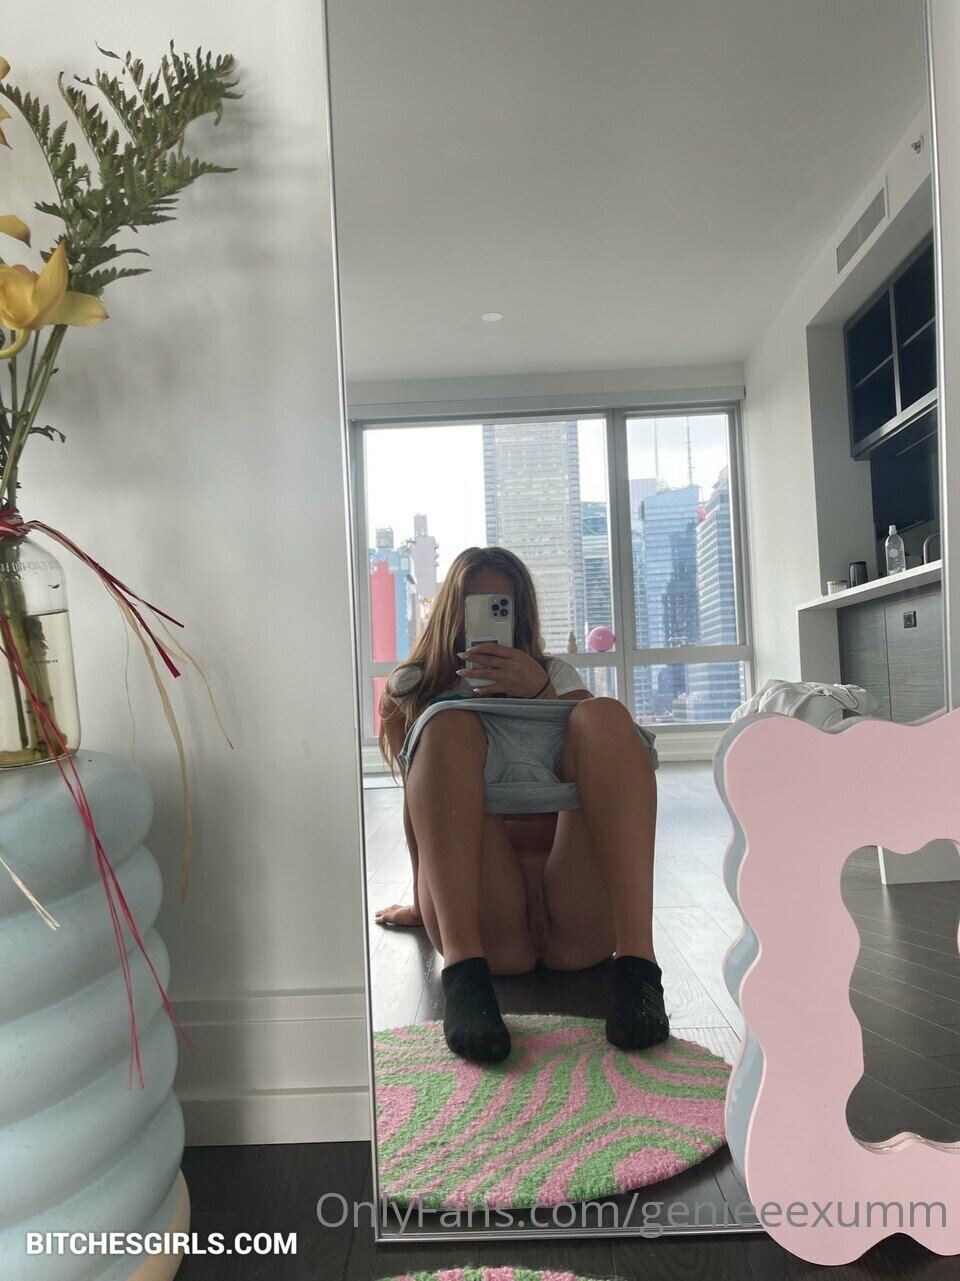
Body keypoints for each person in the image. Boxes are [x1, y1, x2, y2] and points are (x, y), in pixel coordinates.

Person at [376, 545, 668, 1064]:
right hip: (483, 922)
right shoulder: (414, 688)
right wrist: (422, 905)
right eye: (474, 605)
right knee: (445, 725)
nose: (487, 620)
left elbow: (608, 772)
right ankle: (464, 979)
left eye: (501, 607)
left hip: (576, 908)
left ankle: (639, 969)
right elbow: (418, 813)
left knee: (603, 715)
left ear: (521, 615)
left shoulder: (554, 674)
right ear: (451, 611)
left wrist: (542, 694)